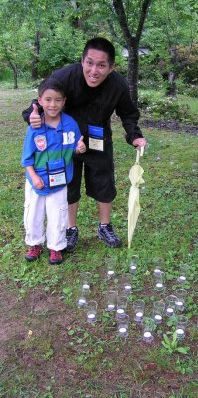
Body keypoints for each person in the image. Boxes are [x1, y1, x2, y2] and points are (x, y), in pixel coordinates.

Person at [23, 37, 147, 251]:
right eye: (89, 63)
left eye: (101, 65)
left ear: (111, 67)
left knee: (104, 182)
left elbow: (128, 114)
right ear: (82, 61)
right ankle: (71, 229)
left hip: (99, 139)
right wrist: (33, 115)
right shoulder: (65, 76)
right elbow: (43, 99)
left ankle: (104, 226)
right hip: (65, 142)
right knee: (68, 183)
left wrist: (134, 135)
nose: (94, 70)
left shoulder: (118, 84)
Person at [21, 79, 86, 264]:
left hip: (60, 181)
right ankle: (34, 243)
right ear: (40, 100)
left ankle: (56, 246)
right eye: (48, 99)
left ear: (64, 101)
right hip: (37, 181)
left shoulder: (70, 124)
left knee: (58, 214)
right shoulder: (35, 128)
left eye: (58, 100)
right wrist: (34, 177)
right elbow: (26, 159)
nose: (53, 104)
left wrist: (78, 149)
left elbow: (73, 146)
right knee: (34, 213)